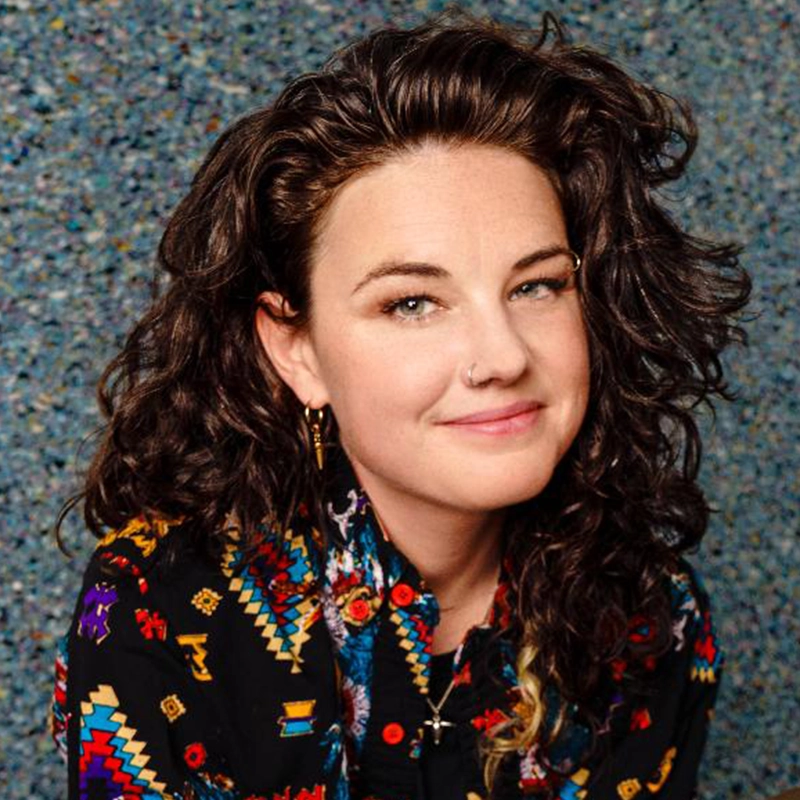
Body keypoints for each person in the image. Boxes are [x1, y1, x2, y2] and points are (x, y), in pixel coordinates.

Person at [50, 6, 751, 799]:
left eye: (537, 285)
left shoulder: (653, 612)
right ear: (297, 349)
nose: (504, 357)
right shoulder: (159, 607)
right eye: (412, 302)